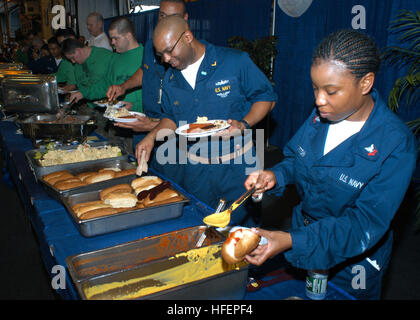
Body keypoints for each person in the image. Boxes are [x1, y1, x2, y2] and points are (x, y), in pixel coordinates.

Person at [243, 29, 418, 299]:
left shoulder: (395, 143)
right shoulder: (321, 116)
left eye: (331, 91)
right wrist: (275, 175)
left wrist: (292, 240)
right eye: (315, 88)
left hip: (353, 261)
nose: (318, 100)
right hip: (305, 236)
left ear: (365, 83)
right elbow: (295, 159)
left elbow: (363, 224)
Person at [136, 15, 277, 226]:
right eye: (160, 54)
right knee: (201, 229)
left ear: (187, 37)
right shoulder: (170, 79)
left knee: (241, 234)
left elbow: (266, 98)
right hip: (195, 171)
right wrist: (151, 136)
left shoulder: (234, 62)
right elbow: (171, 117)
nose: (165, 59)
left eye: (169, 51)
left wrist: (244, 123)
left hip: (237, 168)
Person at [106, 0, 188, 181]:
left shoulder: (186, 53)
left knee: (168, 186)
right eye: (162, 16)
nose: (165, 21)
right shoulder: (152, 45)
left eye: (172, 17)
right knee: (142, 179)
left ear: (185, 19)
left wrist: (153, 127)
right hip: (144, 127)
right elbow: (145, 71)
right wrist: (123, 87)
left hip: (171, 135)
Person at [76, 16, 144, 152]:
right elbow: (106, 83)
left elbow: (153, 92)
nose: (112, 42)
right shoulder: (115, 58)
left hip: (137, 125)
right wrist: (84, 93)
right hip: (114, 123)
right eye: (111, 38)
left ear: (128, 36)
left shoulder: (144, 56)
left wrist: (135, 106)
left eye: (116, 38)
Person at [61, 38, 115, 139]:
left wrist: (83, 93)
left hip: (109, 110)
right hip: (90, 109)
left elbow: (109, 85)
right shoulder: (78, 65)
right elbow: (82, 86)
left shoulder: (105, 56)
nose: (73, 62)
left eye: (73, 58)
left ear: (78, 50)